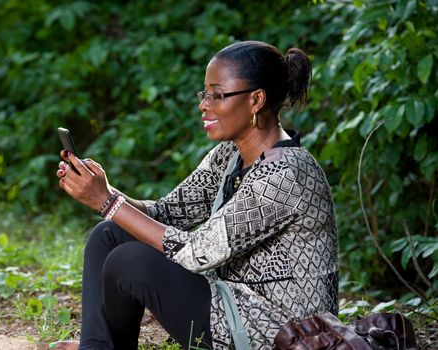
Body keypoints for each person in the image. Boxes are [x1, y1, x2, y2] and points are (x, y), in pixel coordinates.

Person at [54, 40, 338, 350]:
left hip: (279, 332)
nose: (204, 104)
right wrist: (103, 190)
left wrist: (107, 202)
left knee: (131, 261)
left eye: (218, 94)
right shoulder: (230, 155)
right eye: (205, 93)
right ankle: (95, 347)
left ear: (256, 100)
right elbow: (166, 212)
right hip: (232, 300)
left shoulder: (286, 175)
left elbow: (197, 252)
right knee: (110, 234)